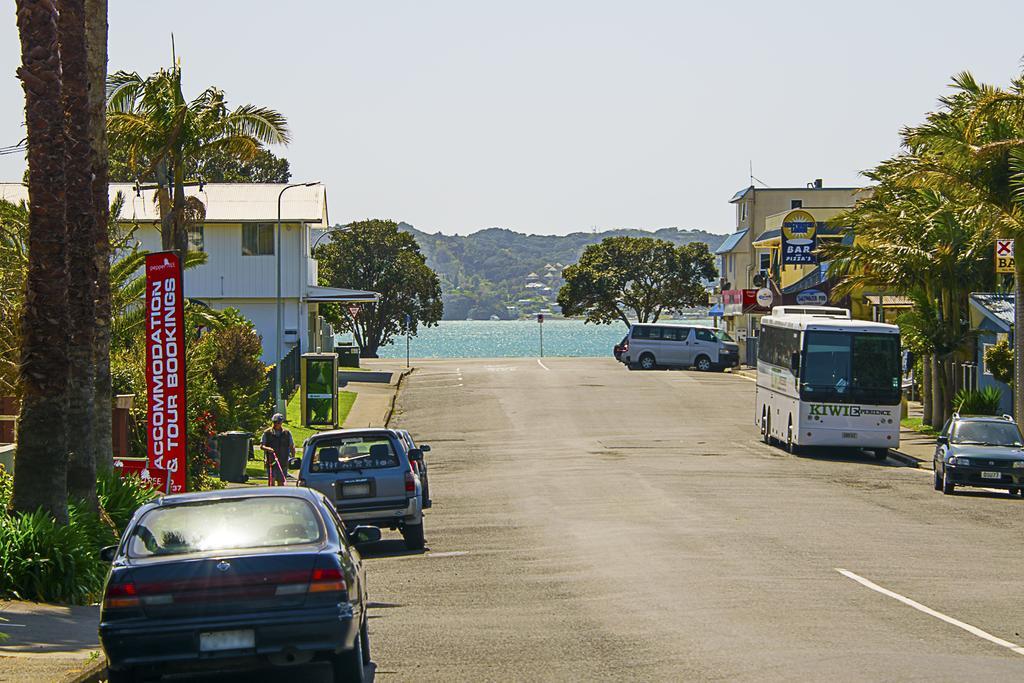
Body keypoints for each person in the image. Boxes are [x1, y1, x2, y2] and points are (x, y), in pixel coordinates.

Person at [260, 413, 295, 486]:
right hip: (271, 461)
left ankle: (280, 496)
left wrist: (293, 458)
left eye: (278, 422)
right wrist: (268, 448)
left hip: (283, 461)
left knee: (281, 482)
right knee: (271, 481)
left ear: (281, 422)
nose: (276, 424)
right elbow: (262, 446)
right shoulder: (267, 433)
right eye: (275, 422)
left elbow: (292, 446)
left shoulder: (287, 433)